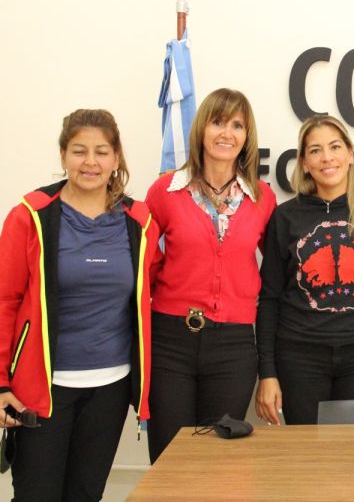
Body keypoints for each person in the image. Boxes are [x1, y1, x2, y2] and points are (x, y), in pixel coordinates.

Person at [0, 109, 157, 500]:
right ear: (63, 155)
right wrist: (0, 384)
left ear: (116, 158)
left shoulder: (139, 221)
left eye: (101, 152)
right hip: (41, 389)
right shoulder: (30, 216)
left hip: (110, 388)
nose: (90, 162)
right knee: (36, 495)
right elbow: (4, 300)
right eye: (79, 151)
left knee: (86, 495)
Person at [145, 88, 276, 462]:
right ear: (201, 128)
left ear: (247, 136)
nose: (227, 133)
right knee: (170, 457)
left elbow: (276, 276)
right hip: (170, 341)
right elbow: (144, 267)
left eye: (237, 125)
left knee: (219, 460)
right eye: (218, 122)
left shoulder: (262, 198)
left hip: (233, 346)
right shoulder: (164, 191)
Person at [255, 115, 354, 425]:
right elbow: (269, 298)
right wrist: (267, 373)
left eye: (335, 147)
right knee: (307, 450)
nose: (327, 157)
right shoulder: (285, 217)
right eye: (315, 150)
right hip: (298, 356)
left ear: (350, 154)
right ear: (304, 162)